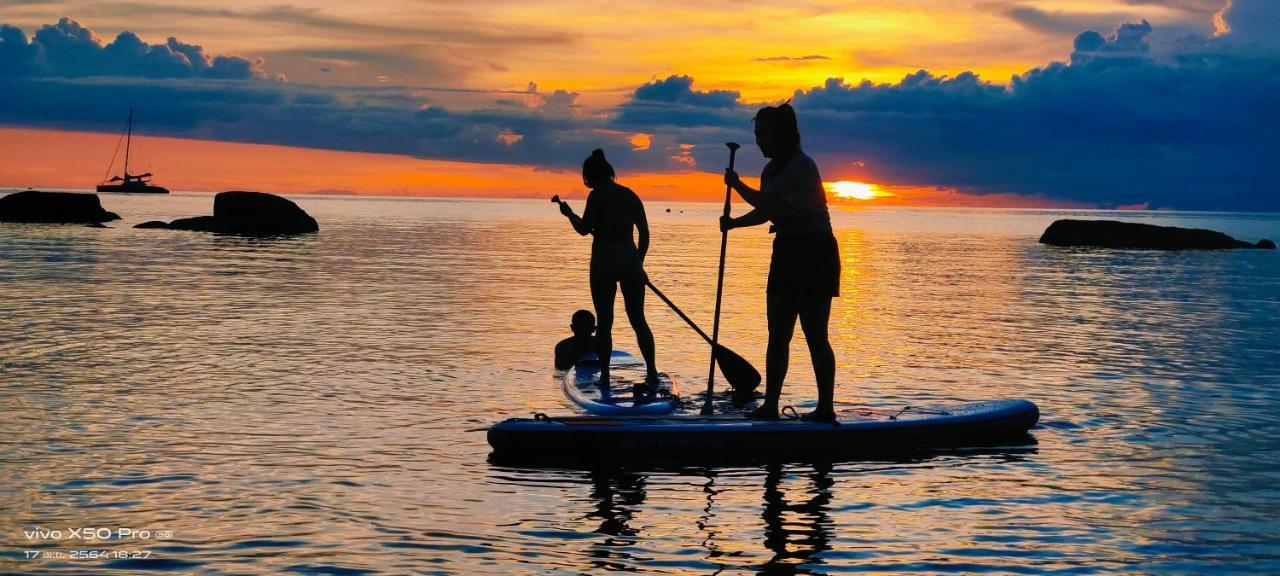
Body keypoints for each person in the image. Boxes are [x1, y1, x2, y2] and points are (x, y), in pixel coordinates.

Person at [721, 103, 840, 422]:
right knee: (778, 334)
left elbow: (767, 201)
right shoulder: (771, 170)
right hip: (786, 248)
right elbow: (766, 213)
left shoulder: (802, 166)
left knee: (815, 335)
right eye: (756, 135)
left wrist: (736, 185)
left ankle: (825, 409)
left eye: (763, 135)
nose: (758, 141)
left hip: (815, 252)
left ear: (781, 135)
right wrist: (734, 224)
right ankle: (770, 406)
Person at [556, 149, 659, 389]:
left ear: (590, 176)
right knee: (639, 321)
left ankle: (604, 376)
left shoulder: (596, 197)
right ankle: (652, 372)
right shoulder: (630, 195)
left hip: (603, 262)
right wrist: (639, 263)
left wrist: (568, 213)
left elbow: (583, 229)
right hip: (629, 262)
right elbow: (644, 233)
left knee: (604, 323)